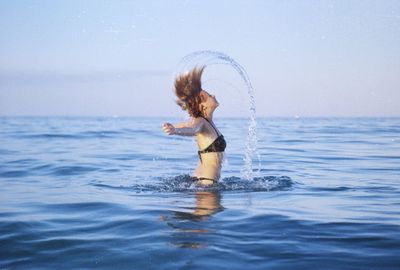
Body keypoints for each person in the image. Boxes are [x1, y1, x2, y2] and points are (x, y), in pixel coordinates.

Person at [162, 66, 226, 186]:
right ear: (202, 105)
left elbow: (187, 125)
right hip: (206, 184)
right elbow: (192, 129)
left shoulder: (207, 122)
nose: (213, 95)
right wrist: (175, 130)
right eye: (208, 96)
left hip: (204, 182)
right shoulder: (201, 122)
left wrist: (175, 127)